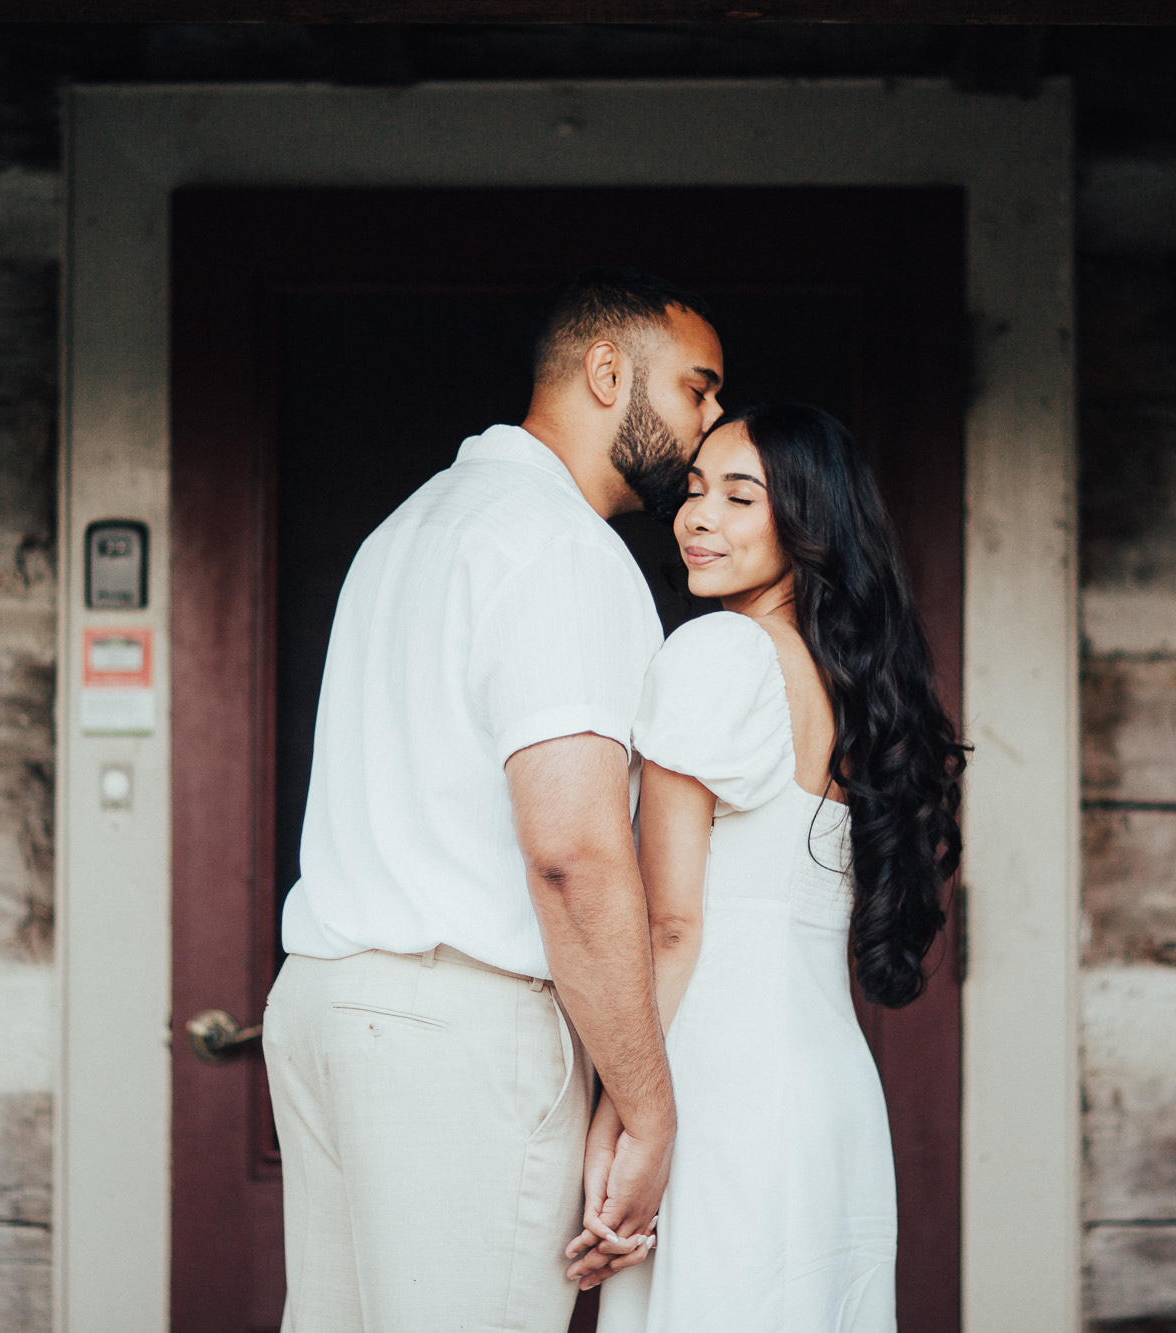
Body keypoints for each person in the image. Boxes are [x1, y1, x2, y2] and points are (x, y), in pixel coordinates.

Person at [259, 269, 724, 1333]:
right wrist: (646, 1109)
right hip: (453, 1036)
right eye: (697, 389)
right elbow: (569, 850)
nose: (710, 426)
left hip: (326, 1006)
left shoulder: (407, 528)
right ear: (608, 371)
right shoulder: (558, 546)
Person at [574, 403, 966, 1331]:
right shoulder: (859, 687)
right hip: (829, 1095)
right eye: (694, 489)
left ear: (810, 523)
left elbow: (671, 925)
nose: (699, 516)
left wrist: (616, 1120)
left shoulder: (718, 653)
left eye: (740, 496)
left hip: (719, 1089)